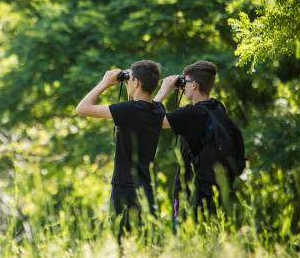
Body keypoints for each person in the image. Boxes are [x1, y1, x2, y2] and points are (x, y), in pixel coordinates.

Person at [75, 60, 165, 239]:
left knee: (122, 243)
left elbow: (82, 108)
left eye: (130, 78)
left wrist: (105, 83)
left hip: (124, 189)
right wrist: (131, 85)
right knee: (146, 243)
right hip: (146, 188)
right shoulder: (157, 109)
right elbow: (141, 105)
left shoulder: (128, 111)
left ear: (137, 83)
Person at [154, 60, 234, 220]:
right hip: (216, 189)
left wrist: (165, 90)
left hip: (190, 193)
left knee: (186, 241)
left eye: (186, 82)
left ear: (194, 85)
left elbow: (149, 119)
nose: (183, 86)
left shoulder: (191, 114)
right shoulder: (218, 108)